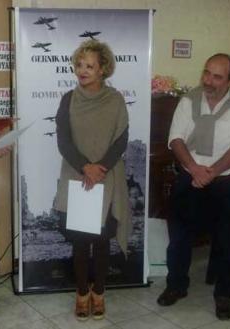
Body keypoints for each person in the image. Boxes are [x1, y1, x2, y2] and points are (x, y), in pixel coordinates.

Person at [157, 53, 230, 320]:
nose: (209, 81)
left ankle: (225, 294)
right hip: (189, 176)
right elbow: (176, 139)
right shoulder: (188, 100)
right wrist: (194, 169)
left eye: (217, 76)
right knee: (179, 239)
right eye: (206, 73)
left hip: (223, 182)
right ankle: (176, 286)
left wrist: (211, 172)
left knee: (225, 240)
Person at [54, 40, 131, 321]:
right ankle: (81, 294)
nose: (82, 70)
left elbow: (121, 139)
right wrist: (86, 167)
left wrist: (100, 168)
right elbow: (63, 141)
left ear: (103, 70)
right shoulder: (68, 100)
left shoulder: (115, 100)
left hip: (107, 178)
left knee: (100, 241)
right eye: (79, 65)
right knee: (79, 242)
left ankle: (99, 293)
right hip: (77, 177)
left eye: (89, 66)